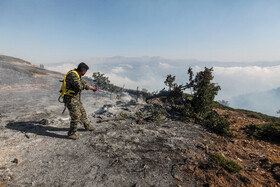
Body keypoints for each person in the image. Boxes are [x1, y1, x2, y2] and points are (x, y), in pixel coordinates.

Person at [62, 62, 98, 140]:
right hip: (70, 99)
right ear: (83, 70)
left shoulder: (78, 75)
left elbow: (84, 83)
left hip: (76, 98)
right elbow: (79, 86)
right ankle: (71, 133)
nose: (85, 73)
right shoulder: (73, 75)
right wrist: (85, 86)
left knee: (82, 113)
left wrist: (92, 89)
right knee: (76, 116)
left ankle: (87, 126)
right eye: (85, 71)